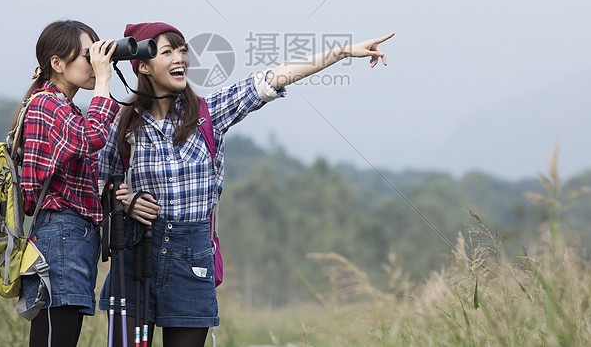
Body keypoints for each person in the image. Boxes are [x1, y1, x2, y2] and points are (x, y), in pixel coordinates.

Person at [98, 22, 393, 347]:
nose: (179, 58)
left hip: (190, 260)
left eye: (183, 50)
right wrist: (127, 200)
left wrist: (344, 52)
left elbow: (275, 77)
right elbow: (102, 181)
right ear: (143, 66)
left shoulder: (207, 115)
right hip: (137, 254)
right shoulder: (123, 122)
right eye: (167, 52)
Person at [18, 20, 120, 347]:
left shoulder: (67, 108)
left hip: (72, 236)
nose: (94, 64)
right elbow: (93, 137)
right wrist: (104, 80)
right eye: (87, 56)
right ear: (57, 64)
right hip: (60, 234)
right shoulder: (46, 103)